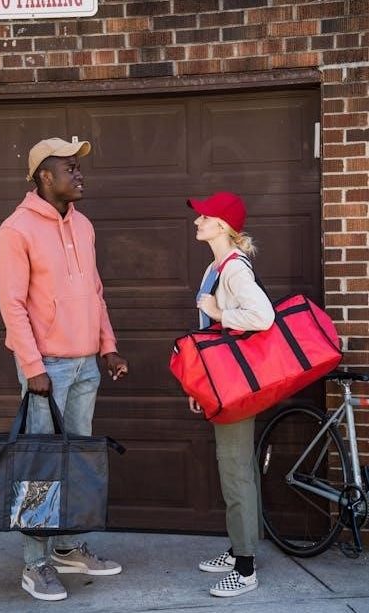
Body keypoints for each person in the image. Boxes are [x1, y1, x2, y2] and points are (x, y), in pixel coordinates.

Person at [0, 137, 128, 602]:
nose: (79, 174)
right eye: (70, 168)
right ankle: (35, 564)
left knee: (76, 460)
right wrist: (32, 366)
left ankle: (68, 546)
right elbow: (12, 305)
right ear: (45, 177)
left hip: (86, 364)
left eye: (78, 166)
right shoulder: (15, 230)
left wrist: (107, 346)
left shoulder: (84, 225)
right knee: (41, 464)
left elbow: (95, 292)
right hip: (46, 368)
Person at [186, 192, 274, 598]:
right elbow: (210, 337)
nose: (197, 222)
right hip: (222, 381)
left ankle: (245, 569)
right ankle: (241, 547)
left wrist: (219, 312)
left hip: (236, 385)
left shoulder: (234, 269)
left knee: (234, 470)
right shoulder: (215, 267)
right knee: (238, 468)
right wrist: (200, 384)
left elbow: (263, 316)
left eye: (204, 217)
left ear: (222, 225)